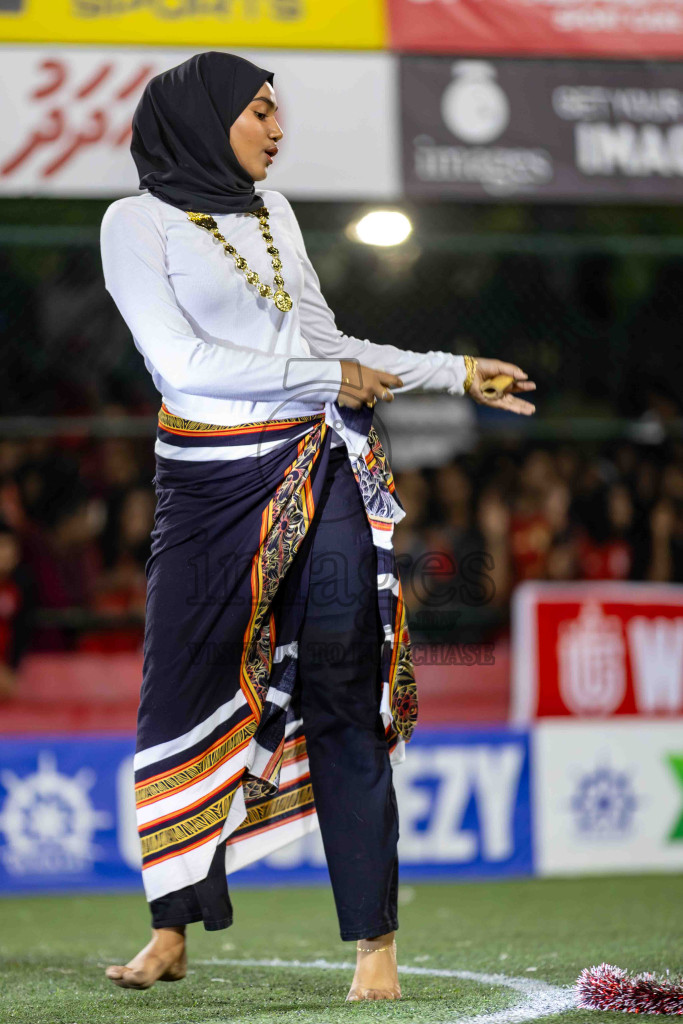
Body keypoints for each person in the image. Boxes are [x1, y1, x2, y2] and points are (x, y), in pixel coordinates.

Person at [99, 51, 536, 1002]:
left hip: (317, 461)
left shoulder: (276, 213)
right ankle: (171, 929)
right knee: (180, 692)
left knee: (345, 680)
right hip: (207, 484)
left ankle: (373, 948)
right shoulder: (134, 223)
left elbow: (326, 345)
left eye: (277, 111)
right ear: (204, 117)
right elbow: (182, 363)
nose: (277, 129)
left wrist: (452, 369)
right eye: (259, 111)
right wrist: (320, 378)